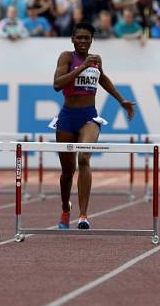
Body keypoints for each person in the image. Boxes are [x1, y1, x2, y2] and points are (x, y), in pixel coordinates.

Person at [51, 22, 135, 230]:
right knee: (67, 172)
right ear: (72, 39)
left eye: (86, 38)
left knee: (84, 158)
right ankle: (65, 207)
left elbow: (103, 79)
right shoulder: (67, 57)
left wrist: (121, 100)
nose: (83, 41)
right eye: (79, 37)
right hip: (67, 118)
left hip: (89, 117)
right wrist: (82, 67)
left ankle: (83, 215)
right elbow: (57, 84)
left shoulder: (96, 60)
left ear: (92, 40)